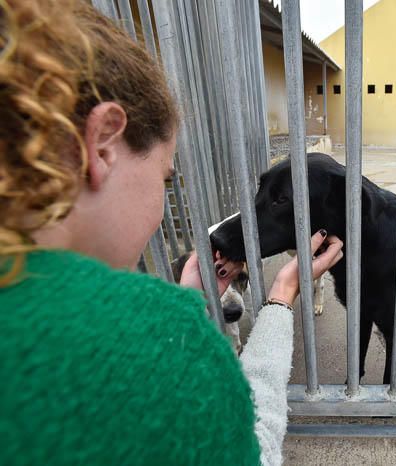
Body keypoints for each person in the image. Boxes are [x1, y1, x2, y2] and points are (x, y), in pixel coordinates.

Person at [0, 1, 343, 465]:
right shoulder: (156, 338)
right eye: (165, 176)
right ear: (102, 144)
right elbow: (252, 448)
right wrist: (281, 298)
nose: (163, 205)